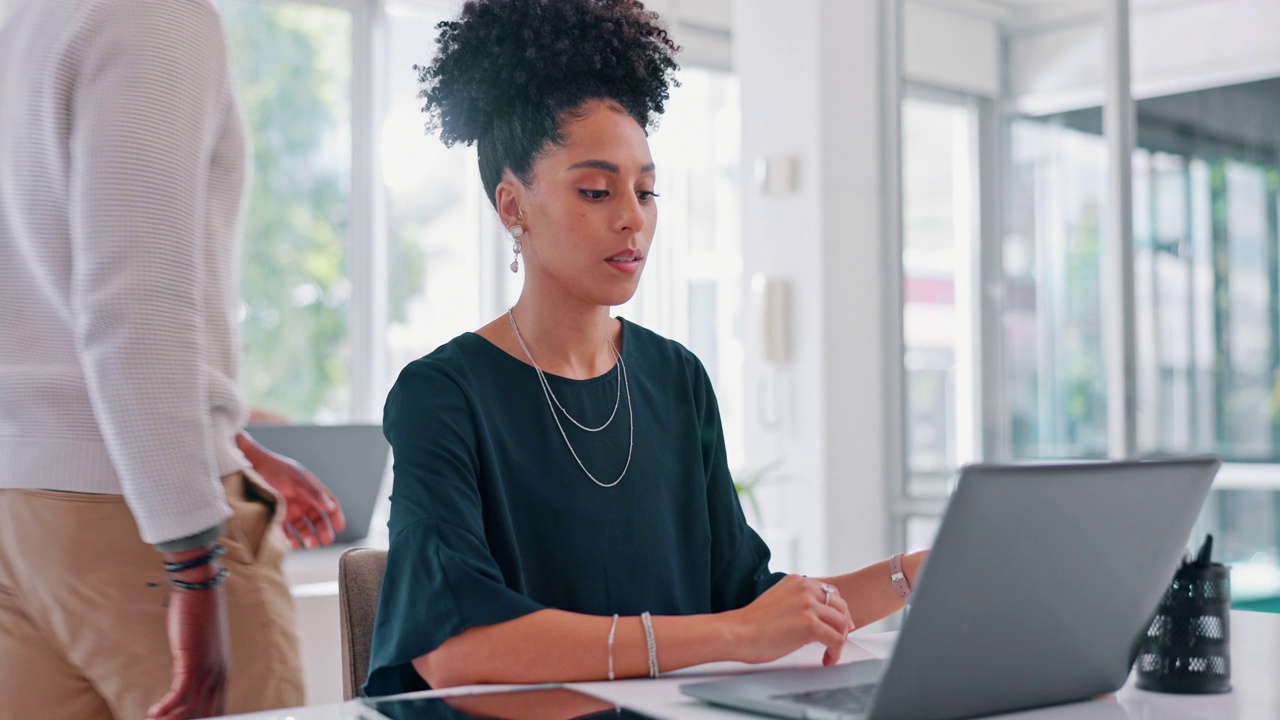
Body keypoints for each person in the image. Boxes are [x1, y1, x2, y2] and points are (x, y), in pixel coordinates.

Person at [365, 0, 927, 696]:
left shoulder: (676, 379)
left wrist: (915, 576)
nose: (632, 217)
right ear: (513, 206)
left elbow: (747, 599)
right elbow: (453, 648)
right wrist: (736, 637)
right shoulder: (442, 396)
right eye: (597, 190)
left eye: (647, 190)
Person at [0, 0, 346, 718]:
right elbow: (137, 303)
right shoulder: (156, 14)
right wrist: (192, 561)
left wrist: (228, 441)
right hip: (134, 526)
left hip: (22, 518)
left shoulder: (27, 23)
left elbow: (47, 316)